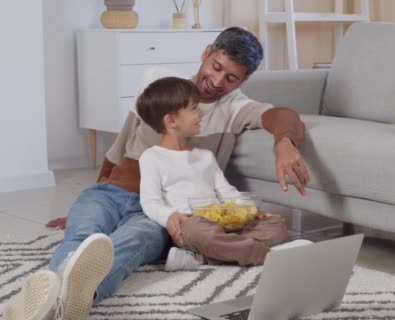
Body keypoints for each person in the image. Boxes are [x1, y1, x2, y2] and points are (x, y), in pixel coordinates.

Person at [6, 26, 309, 320]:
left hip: (156, 212)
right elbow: (120, 145)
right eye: (216, 67)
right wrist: (93, 196)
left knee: (127, 245)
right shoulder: (159, 82)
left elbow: (282, 116)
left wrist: (284, 142)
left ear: (244, 80)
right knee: (83, 233)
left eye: (231, 78)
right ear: (206, 53)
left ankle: (67, 301)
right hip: (109, 194)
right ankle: (51, 299)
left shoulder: (235, 108)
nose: (217, 82)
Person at [137, 76, 288, 269]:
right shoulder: (152, 158)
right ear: (171, 120)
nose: (201, 114)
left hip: (222, 221)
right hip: (191, 223)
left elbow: (226, 191)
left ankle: (204, 257)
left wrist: (248, 209)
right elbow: (150, 201)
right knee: (198, 233)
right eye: (194, 109)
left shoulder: (205, 156)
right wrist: (169, 217)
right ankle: (263, 255)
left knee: (276, 224)